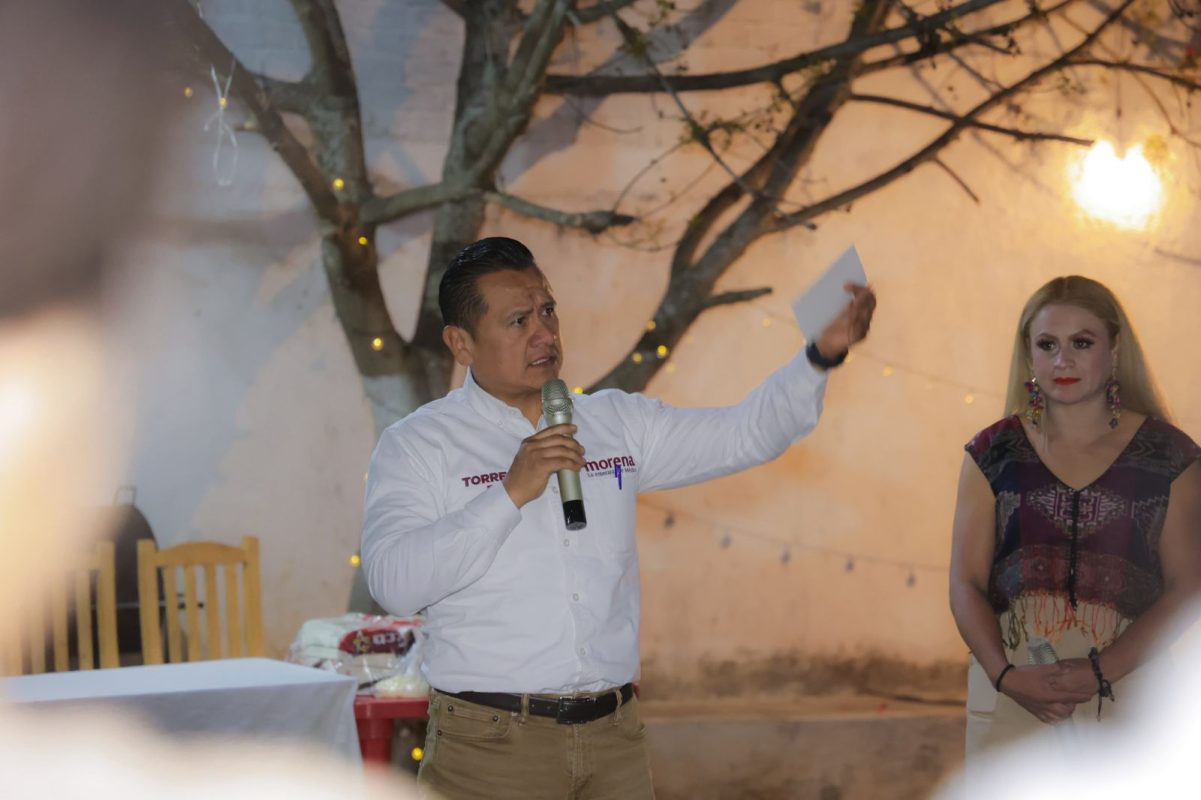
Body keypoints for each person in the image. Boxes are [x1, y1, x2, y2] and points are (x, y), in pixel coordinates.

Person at [360, 236, 876, 799]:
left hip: (614, 741)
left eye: (548, 311)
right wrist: (508, 495)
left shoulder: (616, 422)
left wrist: (819, 356)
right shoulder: (419, 445)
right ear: (461, 343)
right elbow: (393, 584)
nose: (544, 333)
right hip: (491, 747)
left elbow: (746, 433)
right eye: (518, 321)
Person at [948, 275, 1201, 765]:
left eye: (1081, 343)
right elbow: (965, 583)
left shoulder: (1170, 456)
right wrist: (1005, 676)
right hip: (1013, 692)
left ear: (1115, 350)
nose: (1062, 360)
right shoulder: (992, 452)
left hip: (1134, 698)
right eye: (1047, 345)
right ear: (1029, 355)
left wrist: (1101, 671)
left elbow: (1188, 586)